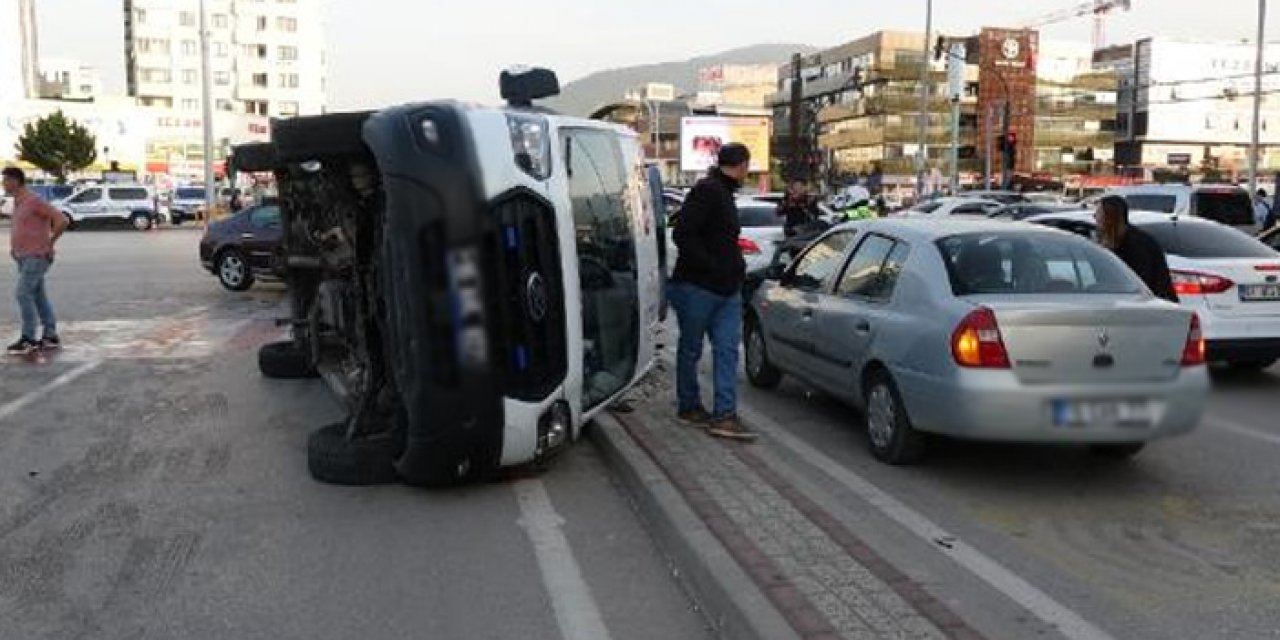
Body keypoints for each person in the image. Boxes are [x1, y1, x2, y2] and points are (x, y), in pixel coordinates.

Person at [669, 143, 756, 442]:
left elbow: (721, 238)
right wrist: (711, 266)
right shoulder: (708, 190)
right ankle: (689, 406)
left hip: (726, 289)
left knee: (728, 351)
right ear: (742, 165)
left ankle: (724, 415)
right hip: (698, 287)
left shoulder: (724, 192)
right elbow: (683, 233)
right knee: (691, 349)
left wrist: (733, 265)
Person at [5, 167, 70, 355]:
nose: (3, 184)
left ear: (16, 181)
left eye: (6, 180)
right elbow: (23, 227)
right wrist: (15, 249)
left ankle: (28, 338)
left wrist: (50, 242)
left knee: (22, 293)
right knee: (37, 295)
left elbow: (62, 220)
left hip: (36, 256)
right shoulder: (18, 201)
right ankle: (50, 336)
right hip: (23, 256)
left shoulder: (34, 200)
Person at [1095, 195, 1179, 304]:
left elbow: (1140, 280)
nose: (1095, 217)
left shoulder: (1136, 245)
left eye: (1098, 214)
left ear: (1110, 217)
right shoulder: (1116, 241)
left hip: (1155, 305)